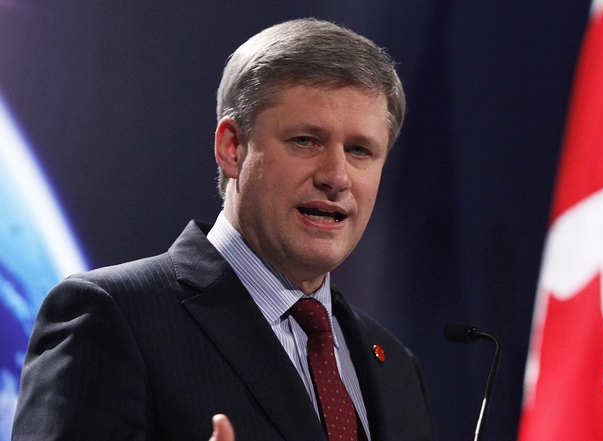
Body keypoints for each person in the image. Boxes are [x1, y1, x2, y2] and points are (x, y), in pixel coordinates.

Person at [13, 18, 434, 441]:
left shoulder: (396, 368)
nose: (336, 176)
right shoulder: (113, 316)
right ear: (232, 147)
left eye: (360, 150)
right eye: (306, 141)